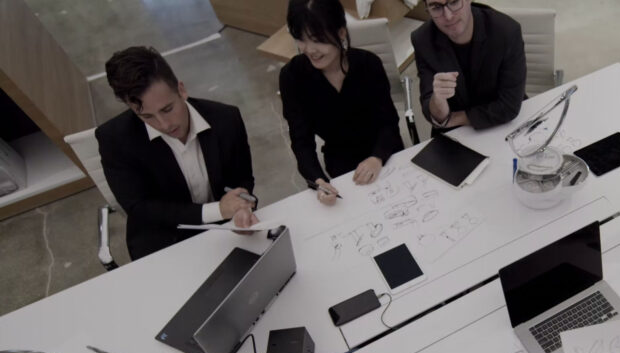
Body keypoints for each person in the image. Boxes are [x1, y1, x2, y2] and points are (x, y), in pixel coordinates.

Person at [97, 46, 258, 260]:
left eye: (167, 109)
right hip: (163, 240)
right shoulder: (115, 139)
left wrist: (240, 207)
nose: (163, 124)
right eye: (147, 116)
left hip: (226, 230)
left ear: (181, 89)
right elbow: (140, 207)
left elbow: (242, 177)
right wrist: (219, 210)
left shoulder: (226, 118)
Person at [279, 0, 403, 205]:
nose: (309, 50)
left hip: (385, 153)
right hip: (341, 164)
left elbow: (388, 122)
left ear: (341, 33)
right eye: (300, 39)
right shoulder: (292, 76)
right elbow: (301, 141)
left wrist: (377, 158)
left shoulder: (368, 64)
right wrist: (319, 181)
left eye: (318, 40)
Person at [412, 1, 526, 135]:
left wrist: (459, 118)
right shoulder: (422, 39)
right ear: (428, 10)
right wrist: (438, 100)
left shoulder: (506, 31)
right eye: (436, 7)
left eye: (454, 2)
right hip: (457, 134)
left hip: (503, 125)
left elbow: (509, 106)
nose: (448, 16)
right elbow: (434, 114)